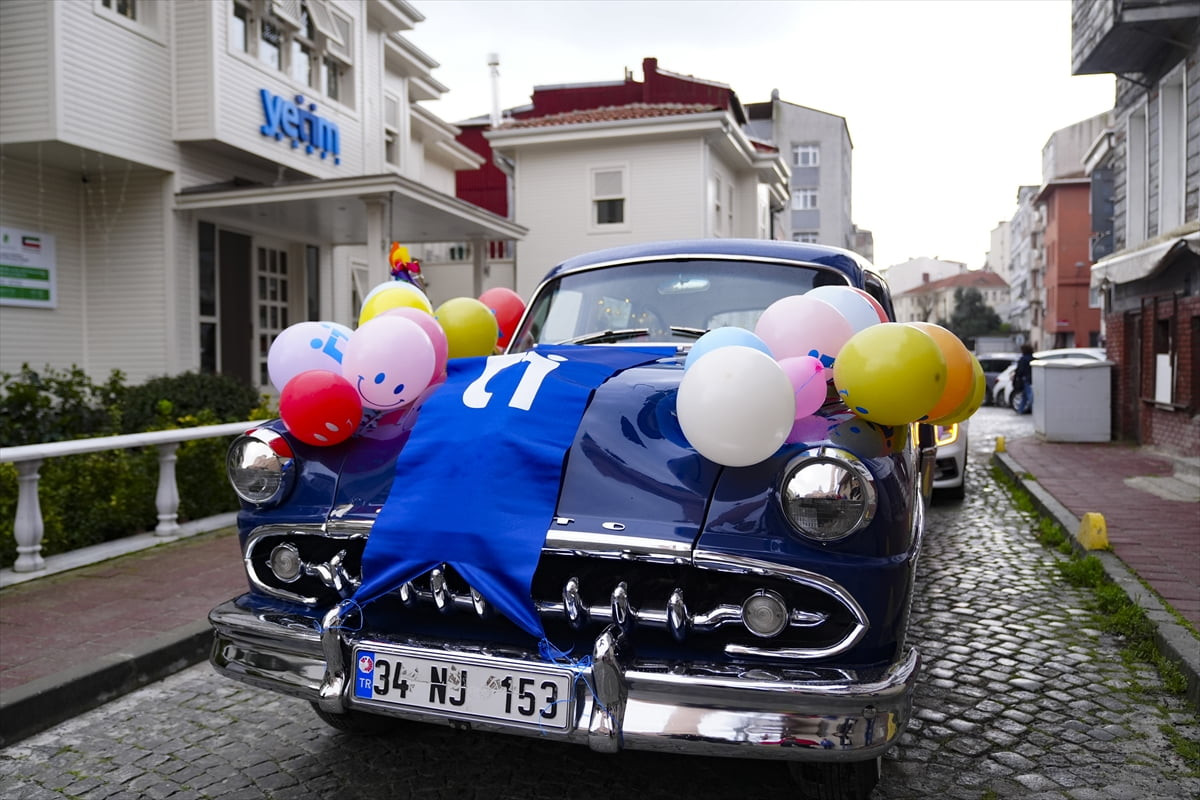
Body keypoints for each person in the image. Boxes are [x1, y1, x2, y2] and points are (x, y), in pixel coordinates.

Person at [1013, 344, 1034, 414]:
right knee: (1024, 396)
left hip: (1025, 379)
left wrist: (1017, 377)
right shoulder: (1033, 358)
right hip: (1032, 379)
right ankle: (1020, 410)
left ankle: (1034, 410)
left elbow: (1020, 371)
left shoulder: (1023, 359)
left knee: (1029, 396)